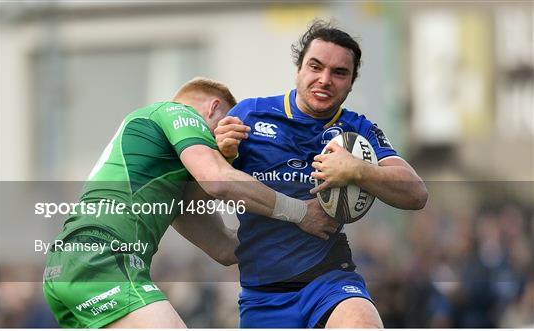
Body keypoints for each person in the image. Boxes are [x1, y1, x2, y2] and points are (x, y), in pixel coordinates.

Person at [42, 77, 338, 328]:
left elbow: (225, 248)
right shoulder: (173, 112)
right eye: (225, 126)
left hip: (75, 263)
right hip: (103, 258)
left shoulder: (169, 187)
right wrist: (299, 211)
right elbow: (218, 179)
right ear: (213, 109)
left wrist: (300, 237)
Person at [214, 20, 428, 328]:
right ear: (299, 69)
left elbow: (416, 193)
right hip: (262, 294)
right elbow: (208, 185)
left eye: (339, 72)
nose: (325, 79)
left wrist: (358, 169)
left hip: (330, 281)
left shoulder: (359, 131)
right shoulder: (249, 116)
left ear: (351, 82)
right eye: (316, 67)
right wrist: (224, 155)